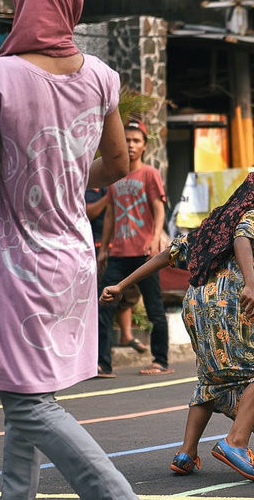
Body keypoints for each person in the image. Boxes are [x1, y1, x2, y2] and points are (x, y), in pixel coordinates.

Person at [0, 0, 138, 498]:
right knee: (23, 398)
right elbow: (119, 163)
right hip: (75, 259)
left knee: (28, 404)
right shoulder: (101, 77)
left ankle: (116, 494)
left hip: (23, 262)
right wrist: (66, 172)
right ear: (73, 0)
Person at [100, 169, 254, 481]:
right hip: (232, 301)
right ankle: (235, 443)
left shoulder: (216, 221)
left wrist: (122, 285)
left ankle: (186, 453)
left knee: (210, 377)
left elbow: (169, 254)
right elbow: (243, 237)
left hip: (197, 304)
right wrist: (250, 284)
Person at [97, 118, 170, 377]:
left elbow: (159, 209)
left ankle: (160, 360)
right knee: (105, 305)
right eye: (127, 139)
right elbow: (110, 214)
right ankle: (103, 364)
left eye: (136, 140)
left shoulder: (149, 173)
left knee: (154, 307)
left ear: (144, 145)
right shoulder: (115, 176)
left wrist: (154, 239)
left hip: (144, 254)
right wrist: (104, 248)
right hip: (119, 253)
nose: (130, 144)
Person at [86, 187, 145, 355]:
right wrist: (109, 198)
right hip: (96, 247)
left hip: (120, 248)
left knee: (126, 291)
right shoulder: (88, 188)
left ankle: (126, 335)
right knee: (103, 296)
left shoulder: (112, 187)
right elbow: (89, 213)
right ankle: (99, 350)